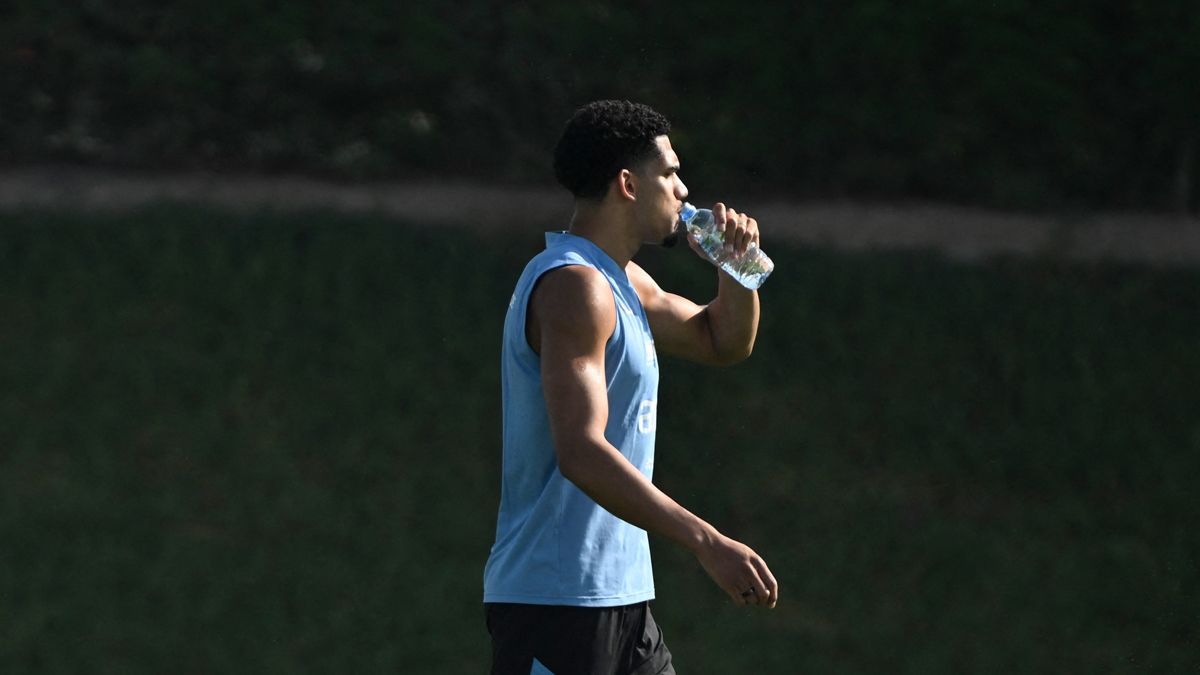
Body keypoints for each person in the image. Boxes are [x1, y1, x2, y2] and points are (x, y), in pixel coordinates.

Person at [483, 100, 778, 675]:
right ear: (627, 183)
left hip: (623, 600)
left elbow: (723, 342)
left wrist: (737, 271)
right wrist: (706, 541)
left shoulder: (625, 281)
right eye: (668, 172)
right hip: (556, 602)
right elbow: (581, 452)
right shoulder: (575, 286)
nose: (682, 187)